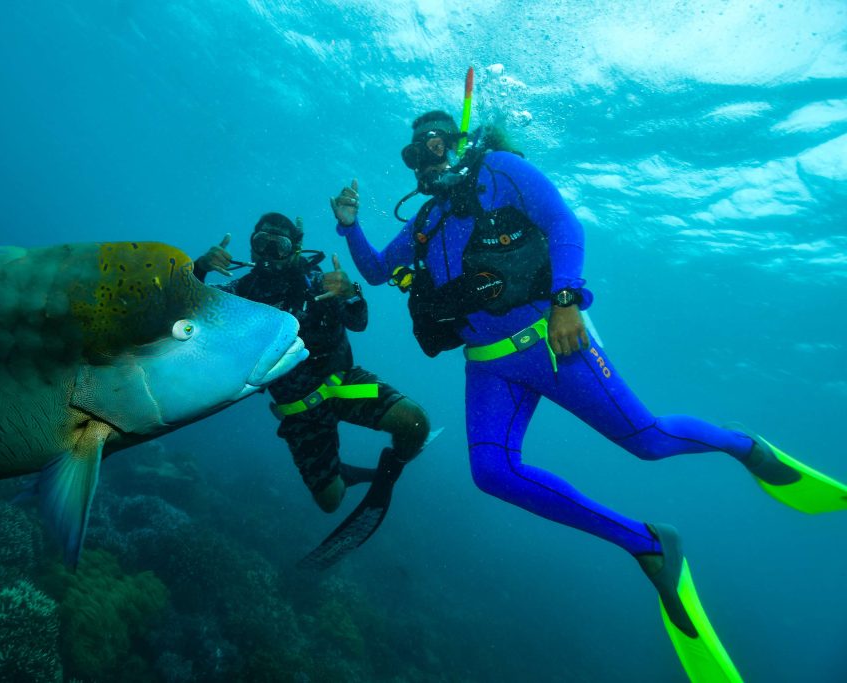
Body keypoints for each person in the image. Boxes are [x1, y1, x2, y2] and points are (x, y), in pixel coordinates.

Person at [330, 110, 846, 677]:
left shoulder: (500, 170)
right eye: (414, 153)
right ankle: (650, 546)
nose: (425, 158)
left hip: (552, 340)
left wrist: (567, 301)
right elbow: (379, 271)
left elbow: (565, 225)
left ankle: (744, 446)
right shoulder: (426, 221)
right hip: (486, 369)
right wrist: (349, 224)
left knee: (648, 441)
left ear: (457, 142)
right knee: (493, 474)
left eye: (432, 144)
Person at [194, 212, 430, 518]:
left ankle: (391, 468)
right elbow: (192, 312)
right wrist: (199, 270)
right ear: (251, 246)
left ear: (294, 247)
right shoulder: (240, 294)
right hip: (298, 411)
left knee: (415, 423)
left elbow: (359, 322)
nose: (268, 254)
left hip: (344, 385)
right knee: (330, 501)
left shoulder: (320, 283)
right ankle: (341, 474)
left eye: (278, 245)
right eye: (261, 243)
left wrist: (350, 292)